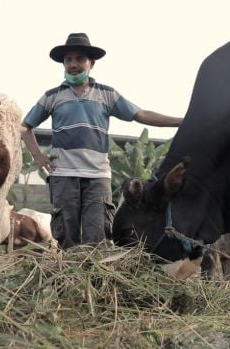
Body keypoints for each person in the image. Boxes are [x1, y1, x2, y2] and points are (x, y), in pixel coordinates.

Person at [20, 32, 182, 249]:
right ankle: (69, 280)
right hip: (64, 175)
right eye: (68, 60)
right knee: (66, 235)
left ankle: (92, 281)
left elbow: (141, 114)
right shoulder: (52, 96)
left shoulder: (106, 95)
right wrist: (38, 155)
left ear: (91, 63)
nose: (73, 65)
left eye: (79, 59)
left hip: (97, 176)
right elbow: (25, 127)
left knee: (96, 237)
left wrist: (182, 121)